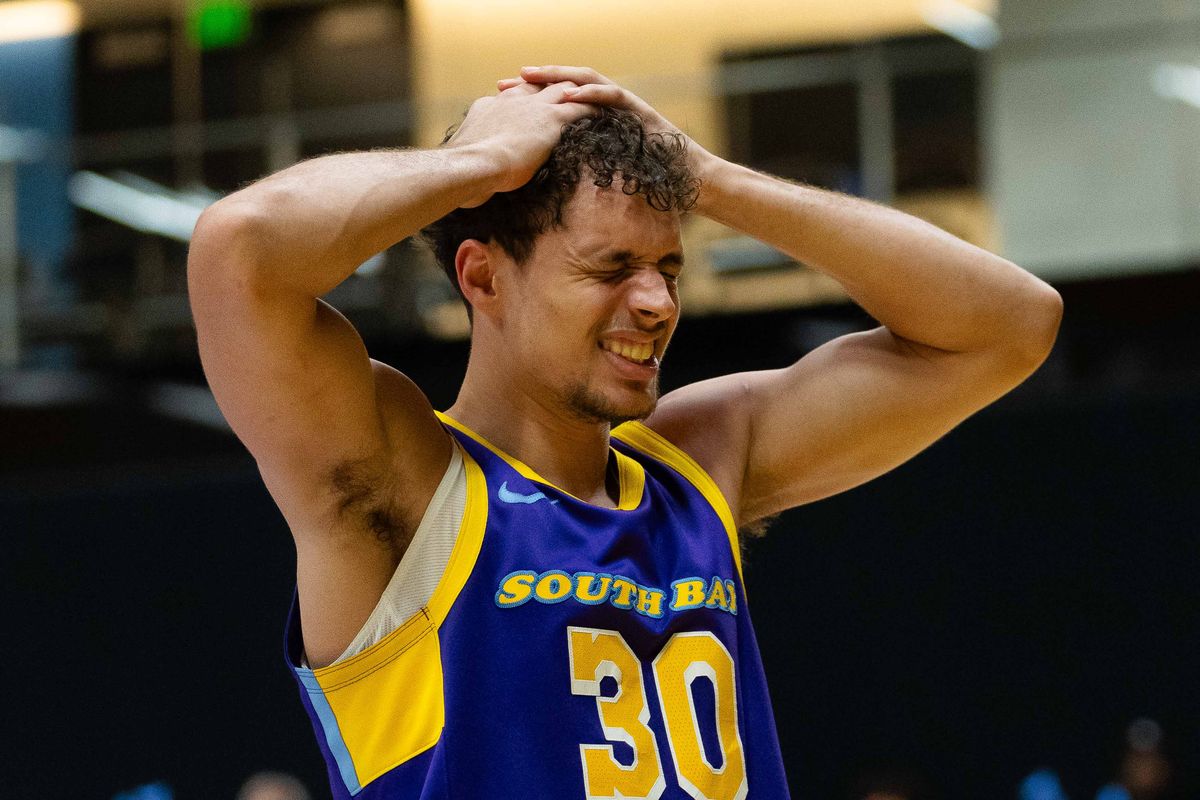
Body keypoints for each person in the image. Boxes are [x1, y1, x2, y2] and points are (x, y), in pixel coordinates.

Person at [188, 65, 1062, 799]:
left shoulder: (701, 461)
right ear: (482, 278)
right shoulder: (401, 482)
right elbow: (240, 251)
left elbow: (1012, 325)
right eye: (610, 268)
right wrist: (487, 161)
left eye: (668, 267)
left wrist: (709, 177)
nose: (655, 302)